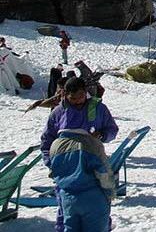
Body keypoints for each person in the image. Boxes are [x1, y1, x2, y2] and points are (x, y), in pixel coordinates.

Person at [41, 77, 118, 232]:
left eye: (81, 97)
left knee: (95, 217)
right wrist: (51, 163)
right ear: (65, 94)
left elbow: (112, 130)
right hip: (65, 171)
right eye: (73, 98)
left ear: (86, 93)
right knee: (66, 217)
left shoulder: (98, 108)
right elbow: (47, 139)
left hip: (91, 166)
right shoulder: (59, 112)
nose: (77, 101)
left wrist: (102, 135)